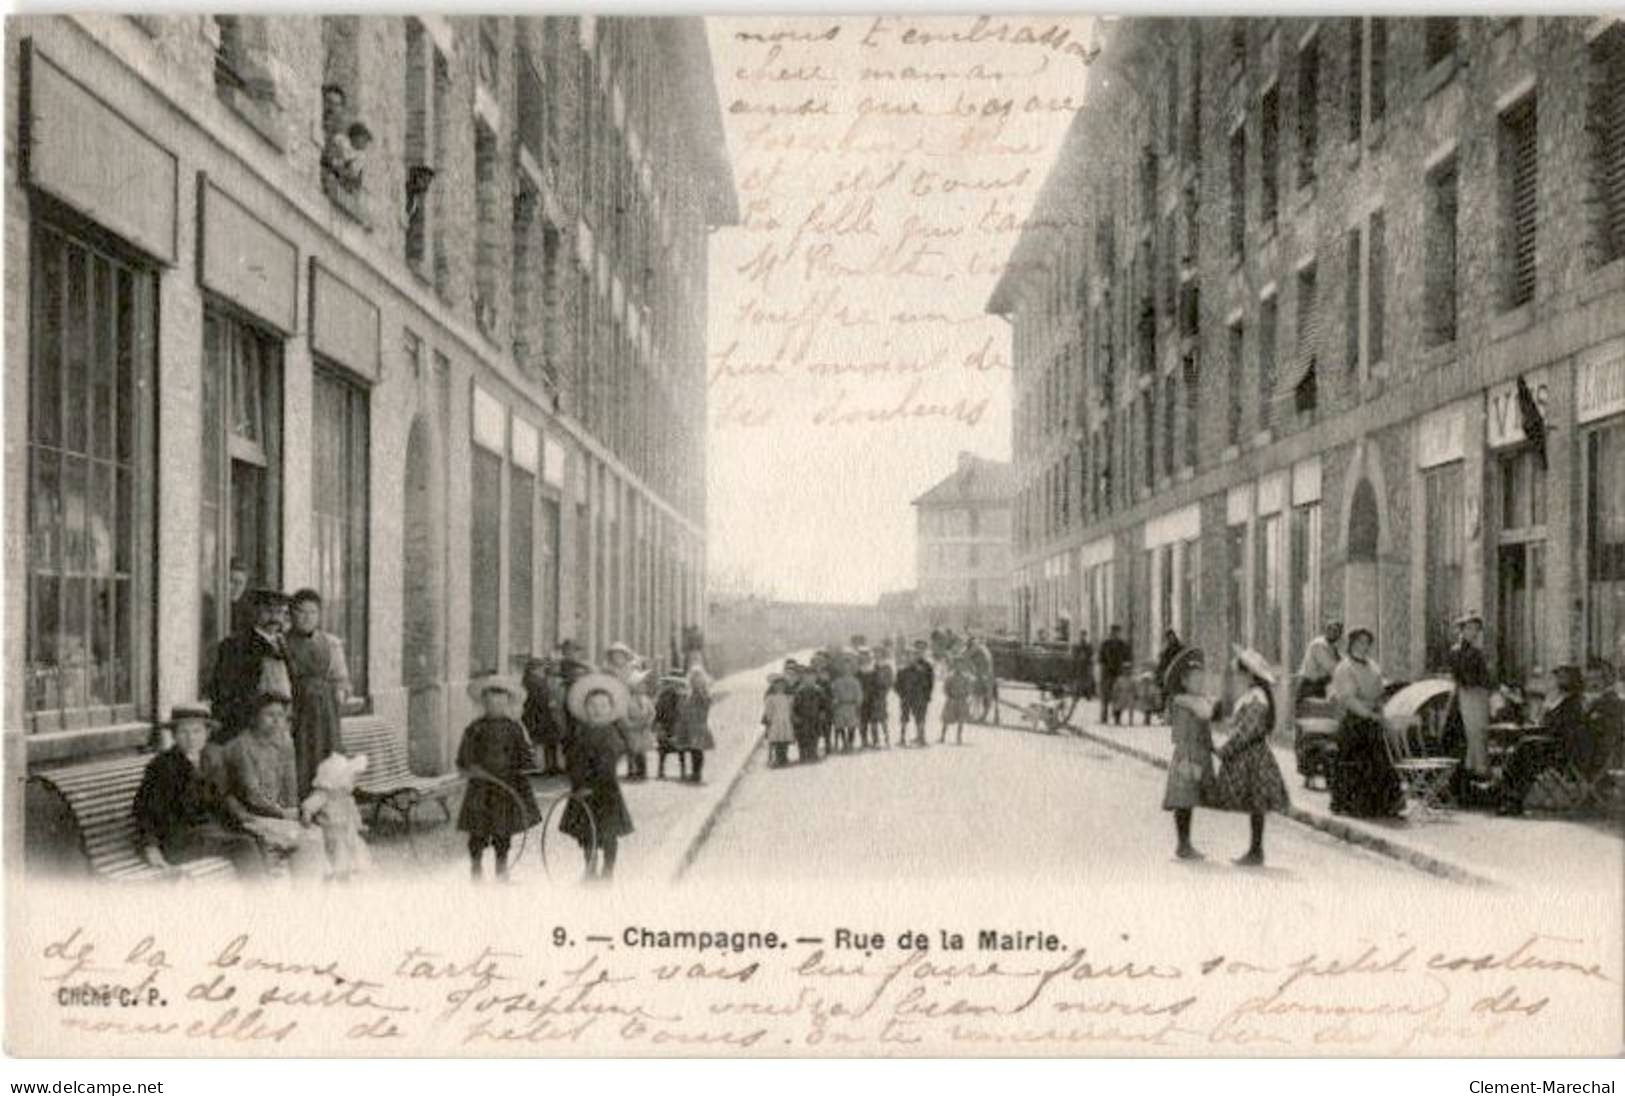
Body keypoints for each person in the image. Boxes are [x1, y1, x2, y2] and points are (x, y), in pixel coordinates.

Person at [133, 705, 265, 878]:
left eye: (197, 731)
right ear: (174, 735)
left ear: (207, 734)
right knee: (244, 846)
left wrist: (245, 820)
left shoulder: (211, 758)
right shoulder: (161, 766)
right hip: (178, 840)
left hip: (209, 832)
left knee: (258, 838)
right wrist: (150, 846)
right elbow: (145, 812)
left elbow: (222, 797)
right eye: (184, 732)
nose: (191, 738)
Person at [455, 675, 540, 882]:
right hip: (481, 788)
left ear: (508, 703)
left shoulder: (514, 728)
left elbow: (524, 755)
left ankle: (501, 868)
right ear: (483, 704)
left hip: (506, 787)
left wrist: (528, 763)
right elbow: (465, 756)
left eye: (501, 702)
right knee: (478, 830)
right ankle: (476, 867)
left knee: (503, 831)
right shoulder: (475, 728)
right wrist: (470, 766)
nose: (496, 707)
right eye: (491, 702)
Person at [1213, 646, 1292, 866]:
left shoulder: (1256, 698)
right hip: (1253, 754)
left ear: (1249, 674)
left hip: (1252, 756)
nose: (1237, 678)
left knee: (1256, 804)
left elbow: (1247, 730)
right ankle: (1255, 850)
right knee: (1254, 805)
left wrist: (1224, 749)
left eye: (1240, 673)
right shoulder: (1254, 695)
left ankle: (1256, 851)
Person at [218, 691, 315, 861]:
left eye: (281, 715)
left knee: (313, 836)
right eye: (269, 715)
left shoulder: (284, 742)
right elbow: (252, 793)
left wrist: (292, 810)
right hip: (247, 816)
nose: (277, 721)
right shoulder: (242, 746)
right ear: (254, 718)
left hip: (275, 814)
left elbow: (290, 784)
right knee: (299, 841)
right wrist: (283, 814)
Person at [561, 672, 636, 879]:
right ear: (585, 709)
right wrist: (577, 784)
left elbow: (609, 762)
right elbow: (573, 760)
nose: (597, 711)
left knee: (609, 834)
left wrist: (593, 784)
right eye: (592, 706)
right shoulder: (580, 733)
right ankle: (590, 867)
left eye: (603, 706)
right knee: (587, 834)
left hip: (606, 791)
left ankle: (608, 870)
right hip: (583, 790)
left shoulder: (611, 735)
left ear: (611, 710)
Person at [1328, 628, 1403, 818]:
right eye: (1359, 642)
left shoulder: (1373, 666)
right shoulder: (1344, 668)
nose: (1363, 646)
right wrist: (1367, 714)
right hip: (1354, 720)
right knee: (1356, 762)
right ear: (1351, 644)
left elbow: (1379, 693)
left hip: (1372, 720)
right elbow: (1347, 698)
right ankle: (1354, 805)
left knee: (1379, 761)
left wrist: (1380, 713)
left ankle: (1383, 805)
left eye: (1367, 643)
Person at [1498, 665, 1592, 817]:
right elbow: (1548, 725)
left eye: (1563, 676)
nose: (1558, 680)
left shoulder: (1574, 703)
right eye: (1558, 676)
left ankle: (1513, 797)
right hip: (1551, 744)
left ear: (1573, 679)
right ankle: (1507, 795)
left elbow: (1563, 731)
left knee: (1526, 748)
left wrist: (1534, 730)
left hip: (1562, 750)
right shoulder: (1559, 699)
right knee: (1524, 747)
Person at [284, 589, 351, 797]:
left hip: (325, 711)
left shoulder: (330, 643)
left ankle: (326, 805)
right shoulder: (282, 643)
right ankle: (302, 802)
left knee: (327, 755)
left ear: (319, 615)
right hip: (297, 707)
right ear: (291, 614)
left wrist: (340, 692)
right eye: (301, 612)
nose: (306, 617)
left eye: (312, 612)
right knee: (300, 755)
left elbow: (341, 678)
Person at [207, 589, 293, 744]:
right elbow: (221, 690)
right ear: (256, 612)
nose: (274, 618)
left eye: (279, 612)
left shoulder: (285, 646)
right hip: (246, 726)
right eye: (268, 611)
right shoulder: (236, 645)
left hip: (279, 726)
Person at [1161, 647, 1216, 861]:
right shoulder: (1184, 703)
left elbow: (1205, 728)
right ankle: (1183, 845)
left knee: (1189, 799)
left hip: (1197, 754)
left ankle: (1186, 843)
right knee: (1184, 800)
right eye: (1195, 680)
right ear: (1184, 681)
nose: (1200, 683)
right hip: (1187, 754)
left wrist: (1211, 747)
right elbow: (1182, 734)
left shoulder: (1194, 701)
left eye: (1202, 679)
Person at [1446, 611, 1493, 779]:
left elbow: (1485, 676)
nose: (1473, 632)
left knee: (1479, 731)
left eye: (1476, 629)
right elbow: (1460, 675)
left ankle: (1473, 767)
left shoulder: (1477, 652)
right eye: (1470, 628)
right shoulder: (1457, 652)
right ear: (1462, 630)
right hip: (1468, 693)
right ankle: (1477, 768)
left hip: (1479, 693)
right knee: (1474, 731)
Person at [521, 657, 566, 776]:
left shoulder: (532, 681)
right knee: (545, 742)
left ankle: (550, 766)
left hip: (539, 716)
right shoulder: (534, 682)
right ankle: (547, 767)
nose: (542, 671)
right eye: (540, 668)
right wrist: (550, 703)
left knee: (548, 742)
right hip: (539, 716)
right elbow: (541, 699)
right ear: (533, 670)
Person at [677, 666, 717, 783]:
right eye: (693, 679)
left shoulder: (701, 693)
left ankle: (697, 773)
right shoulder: (694, 692)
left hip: (698, 724)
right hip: (692, 724)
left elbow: (704, 705)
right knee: (694, 750)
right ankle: (695, 772)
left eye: (697, 679)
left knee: (697, 750)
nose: (695, 682)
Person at [620, 670, 658, 781]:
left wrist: (649, 721)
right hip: (632, 728)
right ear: (634, 686)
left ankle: (642, 771)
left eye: (644, 684)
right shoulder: (627, 700)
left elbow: (652, 712)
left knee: (641, 751)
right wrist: (630, 724)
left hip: (643, 728)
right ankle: (631, 771)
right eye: (641, 684)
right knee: (632, 750)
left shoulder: (646, 699)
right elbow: (623, 714)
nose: (644, 687)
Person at [895, 642, 935, 747]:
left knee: (920, 717)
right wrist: (901, 694)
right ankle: (902, 738)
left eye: (912, 655)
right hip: (906, 698)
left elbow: (929, 683)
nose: (910, 657)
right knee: (904, 717)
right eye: (907, 655)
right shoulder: (902, 670)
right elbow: (897, 685)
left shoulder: (925, 667)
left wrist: (927, 695)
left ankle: (921, 738)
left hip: (920, 698)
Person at [1295, 620, 1343, 705]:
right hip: (1310, 686)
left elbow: (1342, 662)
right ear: (1326, 630)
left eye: (1336, 631)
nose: (1332, 633)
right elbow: (1331, 667)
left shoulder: (1332, 647)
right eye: (1330, 629)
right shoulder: (1319, 644)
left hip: (1320, 685)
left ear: (1340, 634)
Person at [654, 673, 691, 779]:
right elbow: (658, 714)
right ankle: (661, 771)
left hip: (676, 727)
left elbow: (684, 713)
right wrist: (659, 727)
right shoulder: (662, 698)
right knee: (664, 751)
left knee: (678, 751)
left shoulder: (680, 697)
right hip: (667, 727)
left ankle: (681, 771)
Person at [790, 662, 824, 763]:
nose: (809, 679)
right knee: (802, 736)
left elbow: (823, 703)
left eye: (812, 677)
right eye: (807, 677)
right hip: (802, 717)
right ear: (803, 678)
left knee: (815, 735)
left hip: (815, 717)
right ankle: (803, 754)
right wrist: (795, 715)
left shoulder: (818, 690)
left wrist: (823, 712)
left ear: (815, 678)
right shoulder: (799, 691)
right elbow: (794, 705)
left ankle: (813, 752)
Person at [1099, 624, 1131, 725]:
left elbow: (1127, 658)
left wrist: (1125, 669)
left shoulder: (1122, 645)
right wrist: (1105, 668)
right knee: (1105, 696)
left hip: (1118, 673)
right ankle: (1104, 717)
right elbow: (1101, 659)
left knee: (1118, 697)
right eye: (1114, 632)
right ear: (1111, 633)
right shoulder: (1105, 644)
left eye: (1117, 632)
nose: (1115, 635)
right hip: (1107, 674)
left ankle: (1117, 718)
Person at [831, 657, 863, 753]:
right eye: (844, 667)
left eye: (848, 667)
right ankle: (844, 743)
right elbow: (834, 692)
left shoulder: (855, 681)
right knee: (840, 725)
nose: (846, 669)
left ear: (851, 668)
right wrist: (835, 701)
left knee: (851, 725)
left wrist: (858, 703)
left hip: (851, 705)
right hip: (841, 705)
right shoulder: (837, 681)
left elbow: (859, 693)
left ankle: (850, 743)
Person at [763, 674, 795, 767]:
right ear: (773, 686)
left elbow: (790, 708)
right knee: (777, 741)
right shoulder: (771, 698)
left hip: (785, 721)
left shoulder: (788, 697)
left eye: (782, 685)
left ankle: (784, 757)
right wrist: (769, 719)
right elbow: (768, 710)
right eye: (777, 685)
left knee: (785, 740)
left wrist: (791, 716)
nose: (780, 687)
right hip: (776, 722)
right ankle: (777, 758)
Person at [1153, 630, 1185, 715]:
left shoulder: (1181, 648)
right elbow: (1162, 664)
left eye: (1172, 637)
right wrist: (1158, 675)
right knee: (1165, 694)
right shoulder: (1165, 651)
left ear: (1175, 637)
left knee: (1178, 694)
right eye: (1169, 638)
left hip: (1179, 675)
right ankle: (1163, 711)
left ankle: (1178, 712)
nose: (1171, 639)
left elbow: (1184, 660)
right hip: (1168, 675)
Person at [941, 659, 972, 745]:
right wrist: (949, 695)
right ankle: (942, 736)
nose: (959, 667)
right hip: (952, 700)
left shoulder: (966, 677)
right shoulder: (950, 677)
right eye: (957, 665)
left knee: (961, 720)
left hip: (962, 700)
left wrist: (966, 696)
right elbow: (945, 688)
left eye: (961, 665)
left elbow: (969, 689)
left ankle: (959, 737)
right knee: (946, 719)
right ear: (955, 666)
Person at [872, 650, 896, 746]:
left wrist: (884, 692)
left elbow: (890, 681)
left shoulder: (887, 667)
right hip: (872, 695)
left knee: (883, 718)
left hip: (881, 695)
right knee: (873, 719)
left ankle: (887, 739)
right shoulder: (873, 667)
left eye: (879, 654)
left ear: (883, 655)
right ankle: (876, 740)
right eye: (876, 655)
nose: (877, 656)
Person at [1072, 630, 1096, 701]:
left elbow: (1091, 653)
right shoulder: (1076, 645)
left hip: (1086, 665)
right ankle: (1076, 695)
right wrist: (1079, 656)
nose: (1083, 637)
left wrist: (1086, 656)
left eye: (1084, 635)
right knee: (1078, 680)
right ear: (1079, 636)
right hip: (1079, 665)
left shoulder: (1088, 645)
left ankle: (1088, 695)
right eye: (1081, 635)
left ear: (1086, 636)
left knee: (1088, 680)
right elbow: (1074, 655)